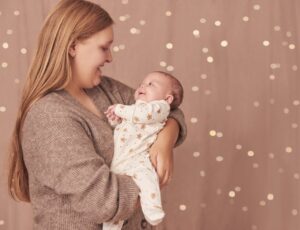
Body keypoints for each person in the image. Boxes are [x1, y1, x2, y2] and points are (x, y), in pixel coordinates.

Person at [7, 0, 187, 229]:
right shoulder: (49, 118)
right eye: (104, 47)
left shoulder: (105, 90)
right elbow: (105, 201)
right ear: (73, 47)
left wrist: (165, 139)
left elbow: (168, 107)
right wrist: (151, 179)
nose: (110, 57)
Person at [103, 71, 184, 230]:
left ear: (167, 99)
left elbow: (143, 115)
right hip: (121, 158)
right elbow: (124, 126)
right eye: (142, 82)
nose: (142, 86)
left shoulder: (159, 108)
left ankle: (153, 209)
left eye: (151, 84)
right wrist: (116, 119)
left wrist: (119, 109)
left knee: (147, 179)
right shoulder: (134, 107)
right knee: (116, 201)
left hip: (139, 157)